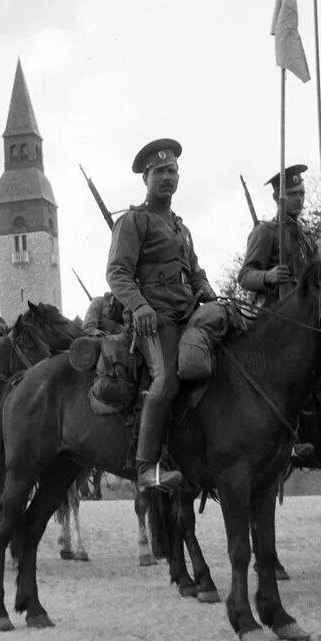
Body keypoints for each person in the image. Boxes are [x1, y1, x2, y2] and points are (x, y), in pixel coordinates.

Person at [106, 138, 215, 492]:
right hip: (154, 319)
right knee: (166, 380)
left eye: (172, 171)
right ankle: (146, 468)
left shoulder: (181, 228)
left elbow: (195, 271)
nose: (167, 177)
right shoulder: (134, 221)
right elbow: (118, 272)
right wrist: (139, 306)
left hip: (187, 312)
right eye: (159, 171)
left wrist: (208, 291)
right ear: (146, 179)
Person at [237, 163, 318, 307]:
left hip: (305, 311)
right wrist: (268, 276)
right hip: (274, 312)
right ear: (276, 197)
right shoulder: (265, 231)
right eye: (292, 193)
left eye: (302, 193)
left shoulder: (307, 235)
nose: (299, 199)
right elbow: (244, 277)